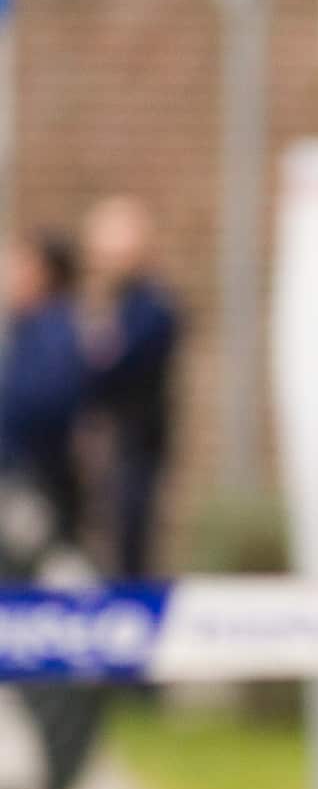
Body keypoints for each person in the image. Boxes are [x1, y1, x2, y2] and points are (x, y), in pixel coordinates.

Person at [79, 196, 181, 579]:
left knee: (132, 537)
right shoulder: (123, 304)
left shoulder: (151, 307)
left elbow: (112, 363)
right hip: (121, 440)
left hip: (138, 440)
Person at [0, 231, 86, 541]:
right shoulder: (27, 329)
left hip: (33, 482)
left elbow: (48, 404)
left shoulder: (54, 334)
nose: (9, 277)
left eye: (20, 266)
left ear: (44, 275)